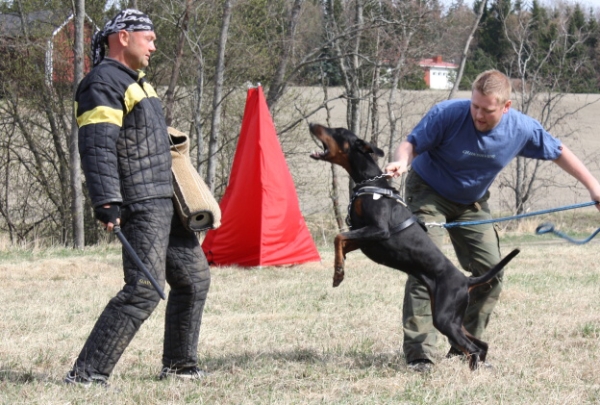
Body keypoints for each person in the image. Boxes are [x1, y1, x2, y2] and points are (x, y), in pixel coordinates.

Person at [385, 69, 600, 372]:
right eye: (475, 106)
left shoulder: (522, 128)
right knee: (428, 268)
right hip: (428, 191)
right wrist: (401, 162)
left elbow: (559, 151)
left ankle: (463, 347)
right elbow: (410, 144)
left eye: (487, 110)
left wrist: (595, 187)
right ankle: (420, 355)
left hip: (472, 202)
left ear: (506, 106)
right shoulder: (448, 114)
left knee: (490, 273)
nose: (478, 115)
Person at [65, 9, 211, 386]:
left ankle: (179, 366)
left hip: (166, 200)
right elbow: (97, 145)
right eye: (149, 37)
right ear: (124, 37)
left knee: (194, 280)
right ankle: (87, 375)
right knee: (143, 289)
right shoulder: (103, 82)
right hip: (139, 202)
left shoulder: (138, 82)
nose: (154, 45)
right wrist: (107, 201)